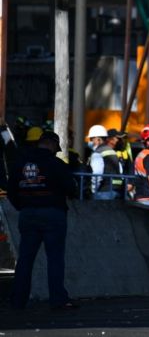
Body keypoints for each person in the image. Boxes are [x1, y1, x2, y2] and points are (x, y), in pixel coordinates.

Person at [7, 131, 78, 310]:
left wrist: (23, 206)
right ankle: (57, 300)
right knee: (54, 259)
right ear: (53, 145)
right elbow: (71, 189)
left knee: (25, 260)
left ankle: (18, 300)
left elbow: (11, 191)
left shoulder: (21, 164)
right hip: (53, 214)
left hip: (28, 214)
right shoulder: (56, 164)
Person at [87, 125, 121, 200]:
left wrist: (93, 190)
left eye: (92, 139)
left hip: (104, 191)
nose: (90, 141)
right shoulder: (112, 151)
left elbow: (97, 173)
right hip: (116, 190)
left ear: (98, 139)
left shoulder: (98, 153)